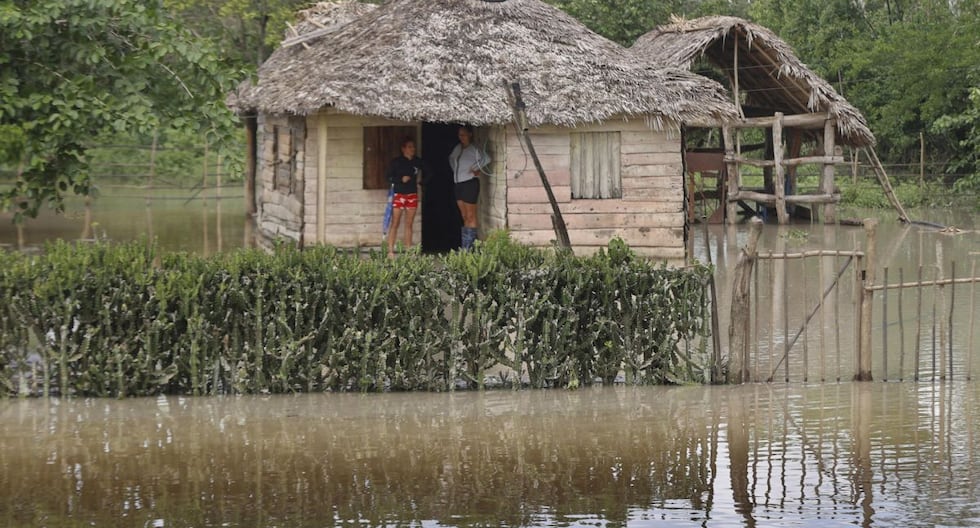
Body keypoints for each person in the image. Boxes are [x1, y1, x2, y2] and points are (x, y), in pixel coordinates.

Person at [448, 125, 491, 250]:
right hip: (458, 183)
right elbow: (451, 159)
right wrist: (455, 170)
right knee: (464, 216)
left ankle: (470, 248)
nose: (461, 137)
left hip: (469, 183)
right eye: (460, 135)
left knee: (471, 215)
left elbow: (487, 158)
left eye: (464, 134)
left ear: (470, 135)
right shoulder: (458, 148)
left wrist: (476, 168)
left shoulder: (474, 148)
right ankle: (466, 246)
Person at [385, 137, 426, 258]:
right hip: (399, 194)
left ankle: (408, 250)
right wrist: (400, 179)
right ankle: (390, 251)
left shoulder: (417, 161)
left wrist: (422, 182)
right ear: (403, 149)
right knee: (395, 222)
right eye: (409, 147)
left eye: (413, 147)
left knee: (409, 224)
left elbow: (430, 171)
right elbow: (388, 177)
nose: (412, 149)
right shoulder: (396, 162)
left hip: (412, 195)